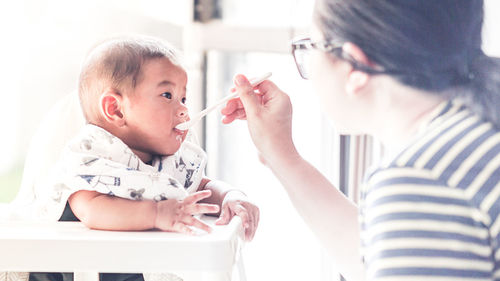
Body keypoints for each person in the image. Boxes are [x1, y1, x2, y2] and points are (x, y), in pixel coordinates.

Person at [221, 0, 500, 280]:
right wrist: (279, 153)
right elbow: (373, 259)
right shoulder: (470, 137)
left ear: (355, 65)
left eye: (310, 47)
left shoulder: (420, 177)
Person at [29, 36, 259, 281]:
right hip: (80, 270)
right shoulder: (91, 155)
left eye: (183, 98)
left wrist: (230, 196)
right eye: (167, 95)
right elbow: (90, 208)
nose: (184, 110)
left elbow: (200, 186)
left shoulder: (163, 158)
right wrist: (157, 214)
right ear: (116, 109)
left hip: (136, 267)